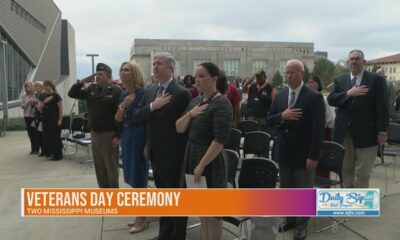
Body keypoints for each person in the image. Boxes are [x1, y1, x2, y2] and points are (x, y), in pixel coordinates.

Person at [132, 52, 191, 240]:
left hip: (174, 156)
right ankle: (165, 234)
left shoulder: (181, 93)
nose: (155, 67)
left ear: (171, 69)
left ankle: (177, 235)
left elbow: (185, 127)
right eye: (154, 64)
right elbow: (137, 117)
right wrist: (153, 106)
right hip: (155, 154)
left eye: (159, 64)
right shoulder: (150, 92)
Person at [268, 59, 325, 240]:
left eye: (292, 72)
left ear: (301, 74)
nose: (288, 75)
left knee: (303, 190)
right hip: (284, 151)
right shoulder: (281, 95)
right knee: (287, 188)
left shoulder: (314, 97)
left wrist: (314, 155)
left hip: (304, 153)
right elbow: (270, 119)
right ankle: (290, 219)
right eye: (286, 72)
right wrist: (282, 116)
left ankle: (301, 225)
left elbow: (318, 130)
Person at [176, 62, 232, 240]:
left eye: (201, 76)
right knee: (202, 211)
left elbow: (219, 140)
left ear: (214, 78)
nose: (197, 80)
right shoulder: (195, 101)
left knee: (213, 215)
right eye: (196, 76)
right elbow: (179, 128)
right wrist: (191, 114)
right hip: (192, 158)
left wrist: (202, 164)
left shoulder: (222, 103)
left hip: (211, 163)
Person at [328, 49, 388, 188]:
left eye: (357, 59)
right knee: (346, 169)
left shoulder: (376, 80)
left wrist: (382, 131)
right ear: (348, 62)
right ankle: (348, 200)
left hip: (368, 134)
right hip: (344, 133)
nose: (354, 61)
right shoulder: (340, 80)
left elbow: (382, 107)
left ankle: (359, 205)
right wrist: (348, 93)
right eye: (351, 59)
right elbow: (331, 100)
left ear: (364, 62)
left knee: (363, 173)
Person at [68, 63, 122, 188]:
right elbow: (72, 93)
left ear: (108, 76)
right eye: (96, 74)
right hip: (95, 133)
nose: (97, 77)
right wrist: (83, 81)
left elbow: (120, 116)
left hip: (109, 135)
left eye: (100, 74)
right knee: (99, 166)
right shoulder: (91, 89)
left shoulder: (116, 91)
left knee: (111, 167)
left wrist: (118, 136)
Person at [114, 61, 148, 234]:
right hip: (127, 136)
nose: (123, 72)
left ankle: (142, 217)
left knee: (139, 177)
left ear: (134, 73)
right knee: (131, 176)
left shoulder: (143, 93)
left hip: (139, 136)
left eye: (127, 69)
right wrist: (124, 104)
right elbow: (118, 118)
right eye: (121, 69)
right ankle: (140, 213)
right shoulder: (123, 94)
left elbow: (148, 119)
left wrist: (148, 144)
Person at [37, 80, 63, 160]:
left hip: (55, 118)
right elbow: (39, 108)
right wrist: (45, 101)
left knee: (55, 137)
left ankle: (58, 155)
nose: (45, 87)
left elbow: (60, 108)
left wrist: (60, 119)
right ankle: (50, 153)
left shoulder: (56, 95)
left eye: (47, 85)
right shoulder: (42, 96)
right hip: (46, 119)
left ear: (51, 86)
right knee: (47, 136)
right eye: (44, 85)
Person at [21, 82, 39, 155]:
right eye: (27, 86)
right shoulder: (24, 96)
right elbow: (22, 106)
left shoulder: (36, 94)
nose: (29, 88)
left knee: (35, 133)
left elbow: (39, 101)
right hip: (27, 116)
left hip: (34, 117)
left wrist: (32, 100)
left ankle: (37, 149)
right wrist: (27, 103)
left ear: (32, 87)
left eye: (30, 86)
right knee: (30, 133)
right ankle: (33, 149)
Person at [33, 81, 44, 156]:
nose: (37, 88)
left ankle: (45, 150)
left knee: (42, 134)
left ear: (41, 87)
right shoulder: (35, 95)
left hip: (42, 117)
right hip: (36, 117)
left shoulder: (43, 95)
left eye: (38, 86)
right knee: (38, 134)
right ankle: (41, 150)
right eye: (35, 86)